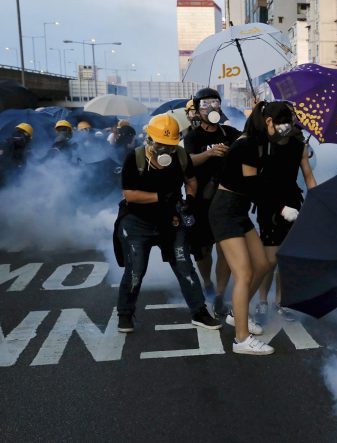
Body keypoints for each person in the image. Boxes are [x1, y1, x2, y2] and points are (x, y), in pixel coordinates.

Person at [209, 102, 303, 355]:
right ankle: (241, 339)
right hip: (226, 211)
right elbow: (254, 188)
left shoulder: (262, 142)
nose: (286, 131)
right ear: (270, 122)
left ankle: (235, 313)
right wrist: (282, 209)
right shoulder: (249, 144)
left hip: (238, 211)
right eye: (283, 125)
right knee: (244, 273)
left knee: (262, 265)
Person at [112, 113, 221, 333]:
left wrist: (189, 200)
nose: (166, 152)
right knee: (136, 269)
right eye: (161, 145)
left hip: (170, 220)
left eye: (170, 146)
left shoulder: (180, 156)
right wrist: (160, 197)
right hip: (137, 222)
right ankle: (125, 313)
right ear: (149, 140)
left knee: (184, 266)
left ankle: (199, 311)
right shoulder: (135, 159)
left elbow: (191, 181)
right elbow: (130, 194)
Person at [254, 103, 317, 320]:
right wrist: (279, 208)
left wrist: (316, 197)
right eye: (282, 120)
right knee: (270, 259)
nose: (286, 125)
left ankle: (280, 301)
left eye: (289, 120)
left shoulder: (299, 145)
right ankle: (262, 300)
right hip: (269, 204)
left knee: (286, 257)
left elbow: (308, 175)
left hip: (292, 201)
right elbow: (257, 183)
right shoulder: (262, 144)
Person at [183, 88, 242, 316]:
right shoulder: (192, 136)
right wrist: (209, 154)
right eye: (206, 105)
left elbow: (249, 139)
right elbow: (187, 162)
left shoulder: (229, 132)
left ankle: (219, 293)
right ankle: (206, 281)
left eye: (215, 103)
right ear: (198, 109)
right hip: (201, 202)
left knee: (225, 249)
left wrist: (258, 111)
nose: (211, 108)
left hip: (227, 201)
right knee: (204, 250)